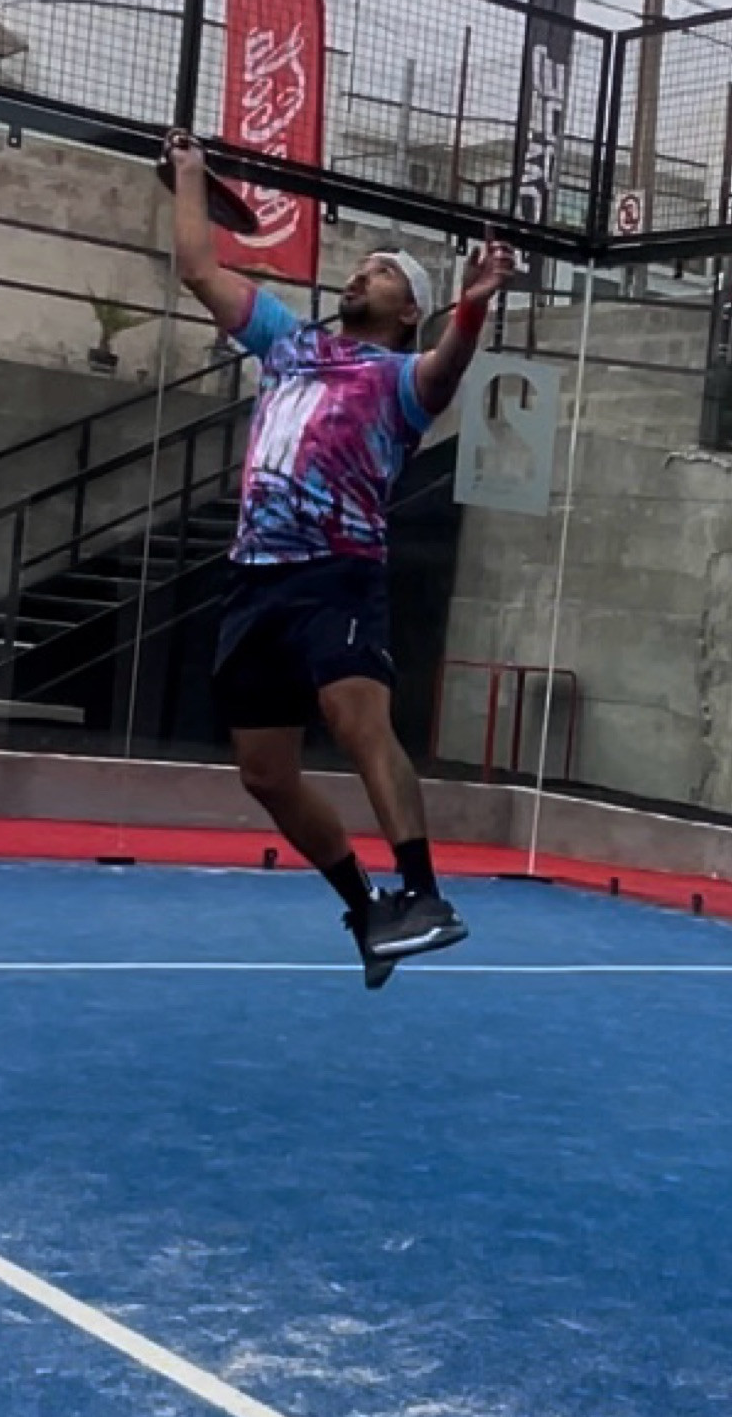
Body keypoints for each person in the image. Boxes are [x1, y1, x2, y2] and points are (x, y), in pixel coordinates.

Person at [165, 132, 512, 987]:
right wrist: (190, 176)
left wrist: (473, 310)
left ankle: (424, 892)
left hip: (337, 572)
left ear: (409, 311)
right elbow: (198, 269)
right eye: (360, 266)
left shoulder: (401, 380)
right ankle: (367, 909)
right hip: (254, 578)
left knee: (357, 719)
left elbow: (450, 365)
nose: (360, 275)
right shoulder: (288, 343)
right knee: (264, 772)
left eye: (382, 271)